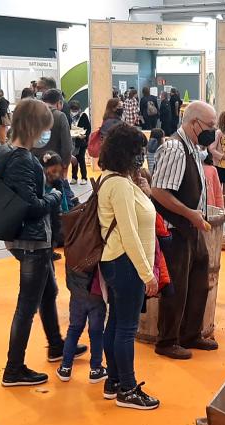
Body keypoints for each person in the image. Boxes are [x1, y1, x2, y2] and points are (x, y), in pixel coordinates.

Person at [0, 98, 80, 386]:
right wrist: (55, 195)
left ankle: (56, 344)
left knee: (47, 291)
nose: (46, 134)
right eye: (44, 128)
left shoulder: (6, 152)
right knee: (27, 306)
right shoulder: (22, 159)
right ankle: (13, 368)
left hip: (24, 238)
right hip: (32, 241)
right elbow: (31, 206)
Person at [96, 122, 160, 409]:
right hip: (126, 263)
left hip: (116, 261)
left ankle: (114, 381)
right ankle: (128, 388)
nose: (141, 157)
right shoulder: (120, 185)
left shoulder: (113, 180)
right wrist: (147, 274)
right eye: (137, 151)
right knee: (126, 329)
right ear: (126, 152)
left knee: (115, 323)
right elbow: (130, 233)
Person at [150, 101, 217, 360]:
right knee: (176, 286)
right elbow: (159, 191)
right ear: (194, 123)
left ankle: (190, 333)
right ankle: (167, 340)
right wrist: (189, 213)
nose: (213, 130)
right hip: (175, 229)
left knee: (198, 281)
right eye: (210, 125)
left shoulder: (193, 148)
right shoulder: (175, 149)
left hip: (191, 227)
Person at [31, 89, 72, 181]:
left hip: (33, 163)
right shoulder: (60, 116)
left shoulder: (32, 115)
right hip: (54, 165)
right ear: (59, 103)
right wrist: (65, 165)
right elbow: (67, 146)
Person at [40, 152, 69, 250]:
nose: (56, 174)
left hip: (56, 216)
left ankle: (51, 249)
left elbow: (63, 199)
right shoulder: (40, 182)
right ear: (44, 168)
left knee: (55, 233)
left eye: (59, 172)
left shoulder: (58, 183)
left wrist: (66, 214)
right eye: (53, 171)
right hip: (44, 216)